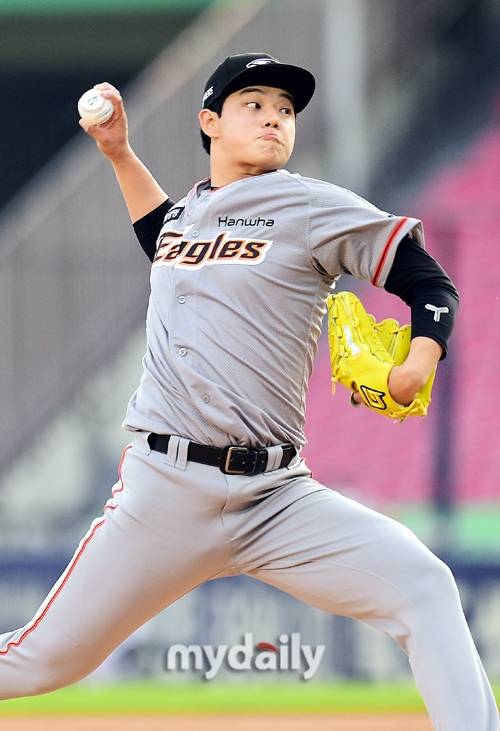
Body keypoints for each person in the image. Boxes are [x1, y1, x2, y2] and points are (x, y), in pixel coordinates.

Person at [0, 52, 497, 730]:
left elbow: (429, 281)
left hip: (277, 498)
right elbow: (160, 235)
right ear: (209, 121)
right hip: (165, 493)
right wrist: (119, 155)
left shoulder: (311, 206)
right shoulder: (186, 218)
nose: (274, 118)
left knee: (425, 586)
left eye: (285, 110)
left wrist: (419, 358)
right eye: (254, 104)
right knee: (40, 663)